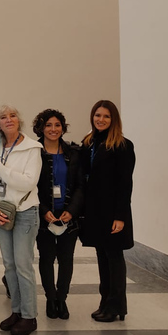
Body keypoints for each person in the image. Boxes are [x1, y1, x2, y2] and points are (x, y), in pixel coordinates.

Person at [0, 105, 42, 335]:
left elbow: (27, 183)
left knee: (23, 266)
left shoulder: (31, 148)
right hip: (2, 213)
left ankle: (29, 316)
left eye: (13, 116)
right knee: (9, 266)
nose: (9, 120)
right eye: (3, 117)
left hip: (26, 211)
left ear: (19, 120)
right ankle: (16, 310)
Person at [80, 100, 135, 323]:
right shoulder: (89, 143)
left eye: (106, 116)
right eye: (97, 115)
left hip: (113, 213)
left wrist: (120, 217)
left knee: (114, 258)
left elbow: (125, 184)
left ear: (114, 120)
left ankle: (116, 306)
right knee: (102, 257)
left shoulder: (122, 145)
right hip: (95, 212)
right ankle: (105, 302)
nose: (100, 119)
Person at [33, 109, 84, 320]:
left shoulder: (74, 153)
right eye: (48, 125)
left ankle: (62, 299)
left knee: (66, 259)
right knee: (46, 259)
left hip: (67, 216)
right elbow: (31, 186)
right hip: (44, 214)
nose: (53, 129)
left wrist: (71, 211)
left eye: (57, 125)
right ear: (41, 128)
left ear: (63, 127)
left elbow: (82, 186)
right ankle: (50, 298)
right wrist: (43, 211)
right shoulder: (33, 152)